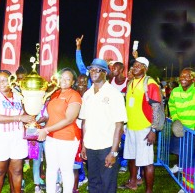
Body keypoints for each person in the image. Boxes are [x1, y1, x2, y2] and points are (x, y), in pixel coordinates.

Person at [79, 58, 127, 193]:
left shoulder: (114, 94)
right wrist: (84, 145)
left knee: (107, 185)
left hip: (107, 147)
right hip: (90, 146)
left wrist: (114, 151)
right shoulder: (87, 94)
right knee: (93, 183)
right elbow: (84, 122)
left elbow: (119, 125)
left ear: (105, 72)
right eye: (91, 69)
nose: (93, 72)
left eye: (97, 69)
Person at [0, 70, 34, 193]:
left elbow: (25, 113)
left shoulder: (19, 95)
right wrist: (19, 118)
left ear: (12, 80)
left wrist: (30, 118)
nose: (2, 83)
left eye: (5, 80)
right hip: (0, 139)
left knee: (17, 171)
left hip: (17, 138)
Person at [37, 67, 82, 193]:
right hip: (51, 136)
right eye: (62, 77)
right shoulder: (55, 93)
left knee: (66, 170)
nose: (64, 80)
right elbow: (54, 114)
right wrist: (42, 120)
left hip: (67, 137)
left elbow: (68, 119)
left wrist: (46, 130)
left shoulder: (74, 95)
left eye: (68, 79)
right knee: (51, 168)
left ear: (73, 82)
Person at [123, 57, 162, 192]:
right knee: (131, 157)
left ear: (145, 68)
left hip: (144, 129)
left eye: (139, 65)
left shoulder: (150, 83)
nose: (135, 67)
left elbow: (156, 108)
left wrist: (153, 130)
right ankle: (133, 182)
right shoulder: (130, 83)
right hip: (131, 127)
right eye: (134, 65)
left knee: (147, 162)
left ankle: (149, 190)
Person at [168, 67, 195, 173]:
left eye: (187, 76)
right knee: (178, 150)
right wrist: (175, 119)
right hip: (179, 127)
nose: (183, 78)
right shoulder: (175, 91)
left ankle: (187, 185)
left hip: (191, 130)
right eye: (182, 75)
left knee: (189, 157)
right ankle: (180, 165)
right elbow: (172, 105)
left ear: (193, 79)